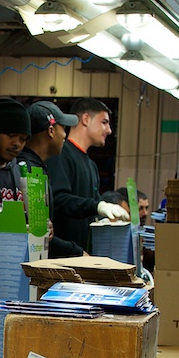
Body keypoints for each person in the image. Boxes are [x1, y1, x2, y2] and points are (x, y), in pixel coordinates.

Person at [46, 98, 129, 254]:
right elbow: (58, 199)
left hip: (83, 256)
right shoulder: (61, 155)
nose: (109, 130)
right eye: (104, 122)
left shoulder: (91, 165)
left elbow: (91, 203)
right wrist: (97, 206)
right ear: (85, 119)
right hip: (61, 258)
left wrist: (104, 218)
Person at [18, 100, 81, 258]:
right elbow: (38, 232)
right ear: (51, 131)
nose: (65, 135)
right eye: (64, 129)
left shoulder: (33, 167)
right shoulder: (28, 173)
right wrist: (75, 252)